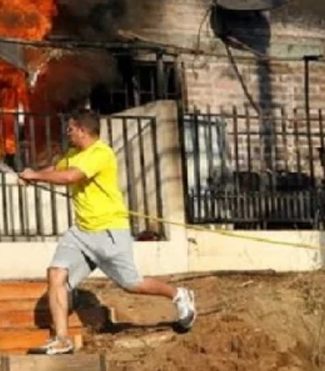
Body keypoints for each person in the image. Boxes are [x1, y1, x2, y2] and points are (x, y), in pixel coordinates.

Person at [18, 110, 197, 355]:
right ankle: (62, 339)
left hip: (108, 231)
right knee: (56, 274)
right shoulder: (74, 153)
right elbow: (59, 168)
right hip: (81, 231)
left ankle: (179, 295)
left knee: (131, 284)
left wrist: (36, 176)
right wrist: (32, 175)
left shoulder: (101, 153)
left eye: (70, 129)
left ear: (82, 130)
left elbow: (71, 176)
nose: (67, 133)